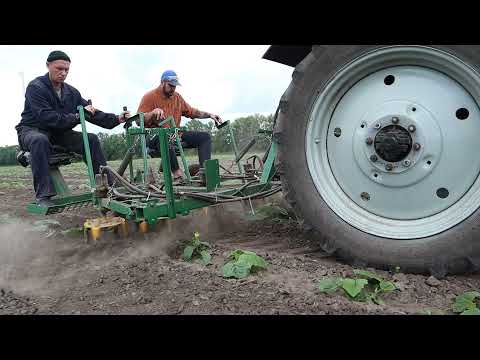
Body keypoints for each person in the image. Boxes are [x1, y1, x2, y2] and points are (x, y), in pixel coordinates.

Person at [15, 50, 131, 207]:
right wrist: (76, 117)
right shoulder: (36, 87)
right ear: (48, 66)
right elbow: (47, 118)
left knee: (91, 139)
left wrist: (117, 118)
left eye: (66, 70)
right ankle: (43, 196)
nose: (63, 73)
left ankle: (108, 186)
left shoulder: (71, 92)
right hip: (32, 130)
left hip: (58, 134)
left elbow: (90, 112)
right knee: (39, 140)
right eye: (59, 68)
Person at [137, 70, 223, 180]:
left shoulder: (177, 97)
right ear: (162, 82)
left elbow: (192, 111)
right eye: (170, 85)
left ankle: (204, 172)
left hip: (175, 134)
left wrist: (209, 115)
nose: (173, 88)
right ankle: (178, 174)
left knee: (204, 137)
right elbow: (139, 121)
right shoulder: (149, 97)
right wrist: (152, 113)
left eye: (175, 86)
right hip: (154, 136)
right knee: (165, 137)